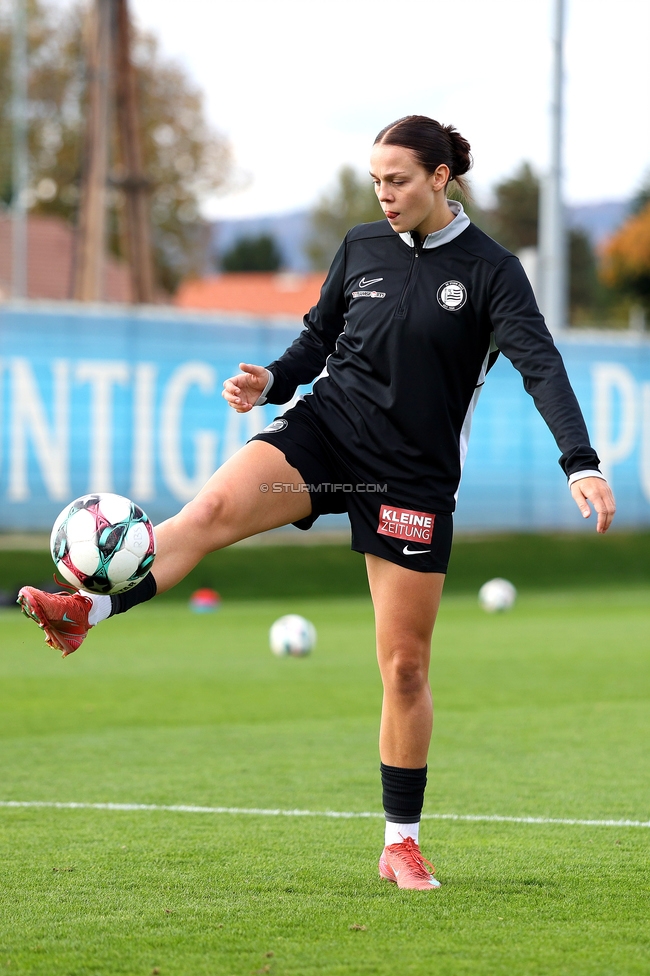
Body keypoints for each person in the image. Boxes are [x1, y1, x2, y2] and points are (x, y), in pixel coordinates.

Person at [18, 115, 616, 892]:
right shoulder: (361, 247)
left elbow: (542, 366)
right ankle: (85, 610)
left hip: (409, 479)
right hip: (324, 434)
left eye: (398, 180)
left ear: (441, 177)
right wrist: (272, 380)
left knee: (405, 668)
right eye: (376, 181)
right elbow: (318, 339)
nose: (384, 194)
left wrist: (580, 462)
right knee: (206, 514)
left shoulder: (492, 271)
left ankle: (401, 842)